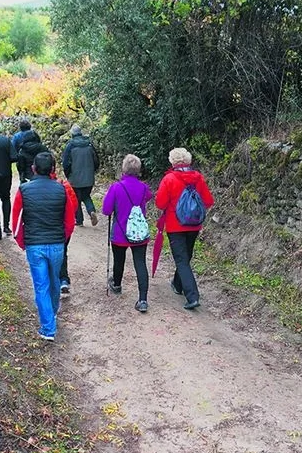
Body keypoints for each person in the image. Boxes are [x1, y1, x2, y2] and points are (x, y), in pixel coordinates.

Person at [11, 152, 76, 341]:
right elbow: (70, 220)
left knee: (41, 286)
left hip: (35, 245)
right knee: (54, 280)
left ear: (33, 168)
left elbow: (16, 222)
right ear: (53, 170)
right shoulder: (61, 189)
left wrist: (23, 243)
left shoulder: (24, 190)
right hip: (57, 244)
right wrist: (62, 238)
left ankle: (48, 328)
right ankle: (52, 314)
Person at [155, 147, 214, 310]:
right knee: (185, 257)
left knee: (181, 259)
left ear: (173, 162)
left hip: (175, 226)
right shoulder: (198, 178)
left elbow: (160, 203)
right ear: (188, 160)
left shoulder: (169, 179)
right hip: (194, 225)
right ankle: (177, 284)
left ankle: (192, 296)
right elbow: (208, 201)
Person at [102, 154, 153, 313]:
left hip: (120, 233)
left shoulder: (116, 187)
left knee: (119, 260)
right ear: (138, 170)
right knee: (140, 263)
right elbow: (149, 197)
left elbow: (106, 210)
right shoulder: (144, 187)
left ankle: (117, 284)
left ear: (124, 169)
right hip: (139, 232)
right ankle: (143, 300)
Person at [62, 125, 100, 226]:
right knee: (86, 196)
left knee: (76, 199)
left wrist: (68, 174)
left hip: (75, 178)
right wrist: (92, 171)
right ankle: (91, 211)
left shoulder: (70, 146)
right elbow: (96, 161)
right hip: (89, 178)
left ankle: (79, 221)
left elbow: (66, 163)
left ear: (72, 134)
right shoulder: (89, 144)